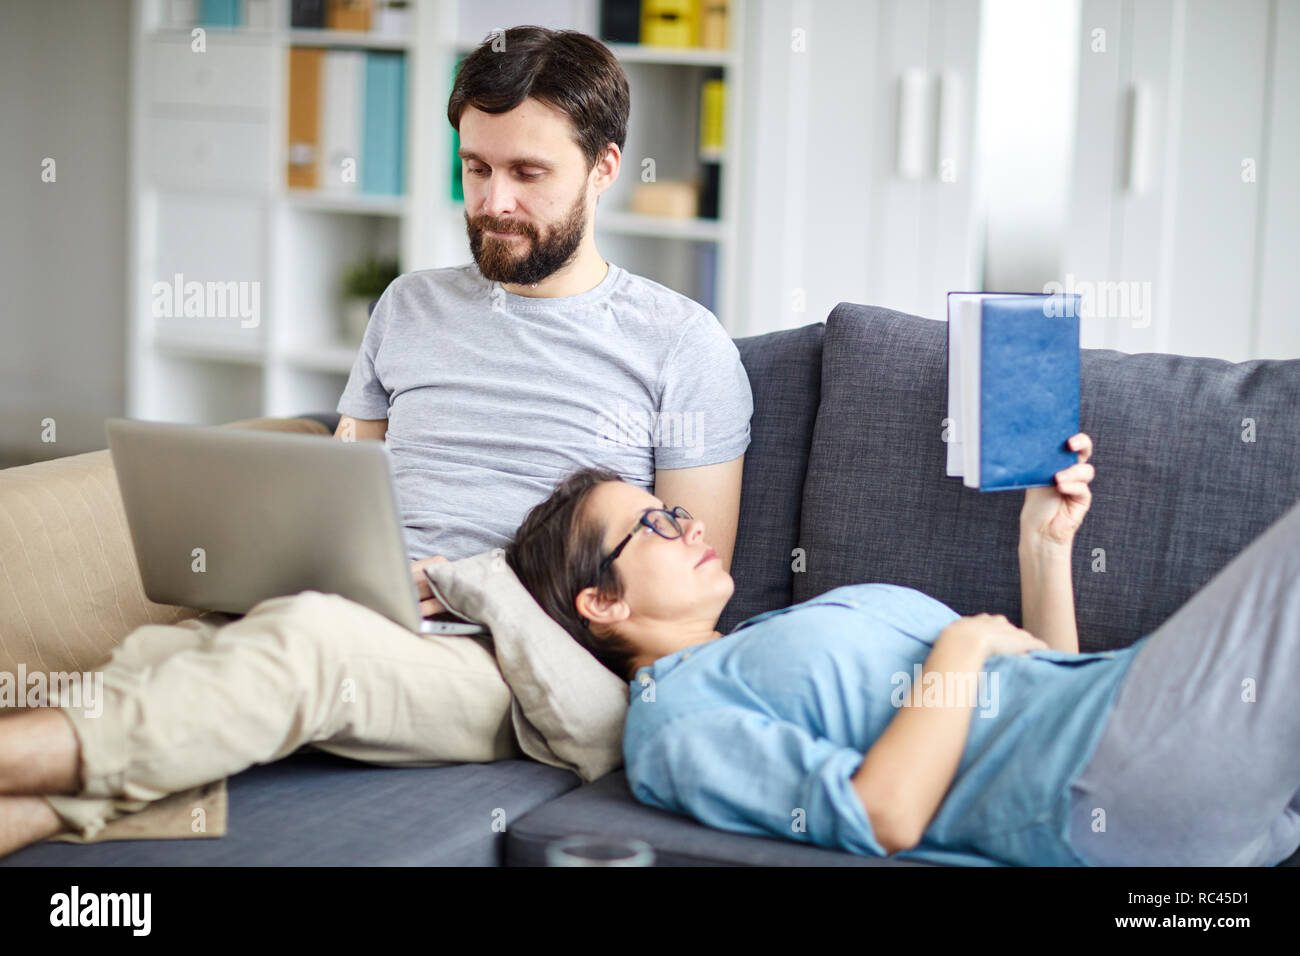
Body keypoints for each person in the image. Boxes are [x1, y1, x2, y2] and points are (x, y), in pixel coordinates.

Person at [0, 26, 752, 857]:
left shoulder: (681, 345)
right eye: (476, 168)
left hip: (517, 660)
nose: (494, 202)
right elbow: (345, 484)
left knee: (304, 649)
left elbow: (685, 591)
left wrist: (472, 587)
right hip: (366, 605)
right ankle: (28, 814)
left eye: (528, 173)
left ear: (604, 167)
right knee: (163, 658)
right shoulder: (408, 307)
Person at [503, 433, 1300, 866]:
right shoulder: (673, 718)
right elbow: (882, 815)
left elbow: (1033, 685)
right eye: (656, 524)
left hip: (1135, 749)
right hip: (1115, 780)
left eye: (675, 511)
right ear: (602, 601)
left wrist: (1044, 547)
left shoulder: (754, 641)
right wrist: (961, 646)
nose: (691, 524)